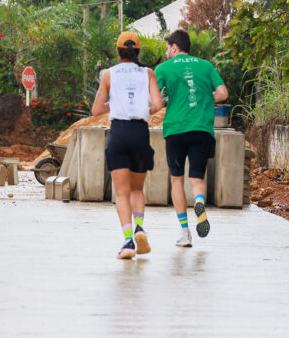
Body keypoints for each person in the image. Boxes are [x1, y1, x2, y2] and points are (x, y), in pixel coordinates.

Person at [92, 31, 163, 259]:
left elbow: (96, 110)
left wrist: (115, 106)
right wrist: (143, 110)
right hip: (140, 133)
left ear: (118, 51)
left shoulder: (109, 74)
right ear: (138, 51)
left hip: (119, 133)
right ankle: (140, 227)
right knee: (136, 189)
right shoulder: (148, 73)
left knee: (121, 193)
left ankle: (128, 240)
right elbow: (158, 104)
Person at [155, 29, 228, 247]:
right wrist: (205, 98)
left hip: (176, 130)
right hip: (201, 130)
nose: (166, 51)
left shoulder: (163, 68)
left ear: (174, 47)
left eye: (167, 47)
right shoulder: (206, 66)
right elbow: (223, 93)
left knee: (176, 180)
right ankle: (199, 202)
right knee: (197, 179)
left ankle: (185, 233)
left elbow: (155, 100)